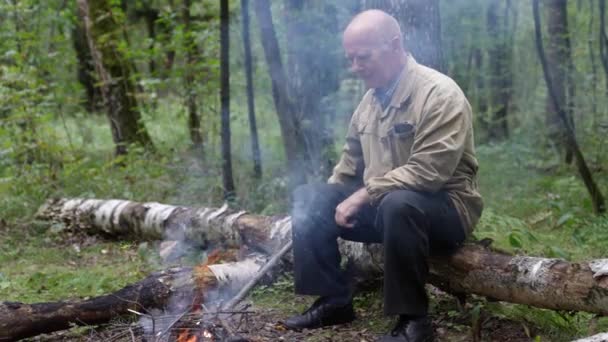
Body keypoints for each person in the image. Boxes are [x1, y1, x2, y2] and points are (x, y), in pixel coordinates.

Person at [282, 9, 483, 342]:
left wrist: (362, 195)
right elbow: (348, 167)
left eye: (363, 57)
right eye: (351, 59)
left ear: (395, 45)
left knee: (398, 204)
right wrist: (318, 212)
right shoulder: (369, 102)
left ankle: (414, 324)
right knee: (309, 197)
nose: (356, 67)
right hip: (388, 207)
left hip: (445, 211)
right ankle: (334, 301)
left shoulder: (439, 94)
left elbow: (429, 172)